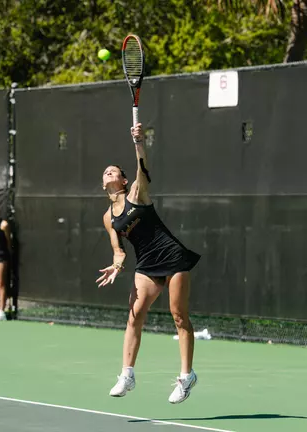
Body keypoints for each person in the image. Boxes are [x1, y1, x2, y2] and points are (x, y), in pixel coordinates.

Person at [97, 123, 201, 404]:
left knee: (178, 316)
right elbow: (119, 251)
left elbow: (142, 167)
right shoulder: (109, 217)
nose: (109, 172)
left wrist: (139, 141)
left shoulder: (137, 194)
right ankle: (127, 374)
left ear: (123, 180)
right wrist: (116, 266)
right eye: (106, 171)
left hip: (172, 256)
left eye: (114, 171)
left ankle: (186, 376)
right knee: (134, 315)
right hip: (146, 263)